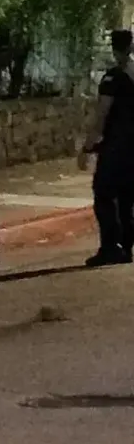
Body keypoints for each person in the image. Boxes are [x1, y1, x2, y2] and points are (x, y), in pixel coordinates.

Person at [79, 28, 134, 266]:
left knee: (104, 194)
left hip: (117, 147)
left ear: (115, 49)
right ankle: (126, 248)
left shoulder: (113, 78)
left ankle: (111, 247)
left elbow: (102, 115)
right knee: (127, 199)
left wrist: (87, 146)